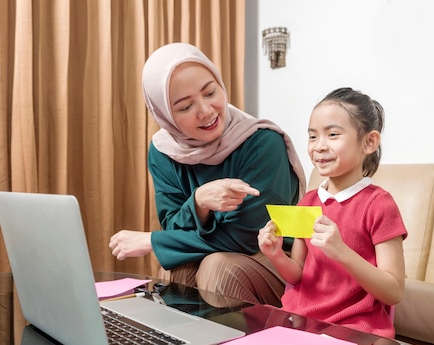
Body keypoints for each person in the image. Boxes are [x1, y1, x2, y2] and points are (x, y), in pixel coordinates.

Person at [109, 43, 306, 306]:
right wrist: (199, 202)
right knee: (176, 269)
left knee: (217, 269)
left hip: (279, 260)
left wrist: (153, 241)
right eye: (185, 107)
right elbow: (173, 225)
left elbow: (245, 237)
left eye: (210, 92)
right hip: (223, 255)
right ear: (165, 114)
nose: (206, 111)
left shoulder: (262, 143)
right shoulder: (164, 151)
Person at [257, 87, 407, 338]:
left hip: (354, 328)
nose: (319, 146)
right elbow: (299, 274)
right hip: (299, 321)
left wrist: (342, 252)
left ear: (369, 142)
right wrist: (276, 256)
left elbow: (394, 291)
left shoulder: (379, 204)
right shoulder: (308, 201)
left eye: (333, 134)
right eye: (313, 137)